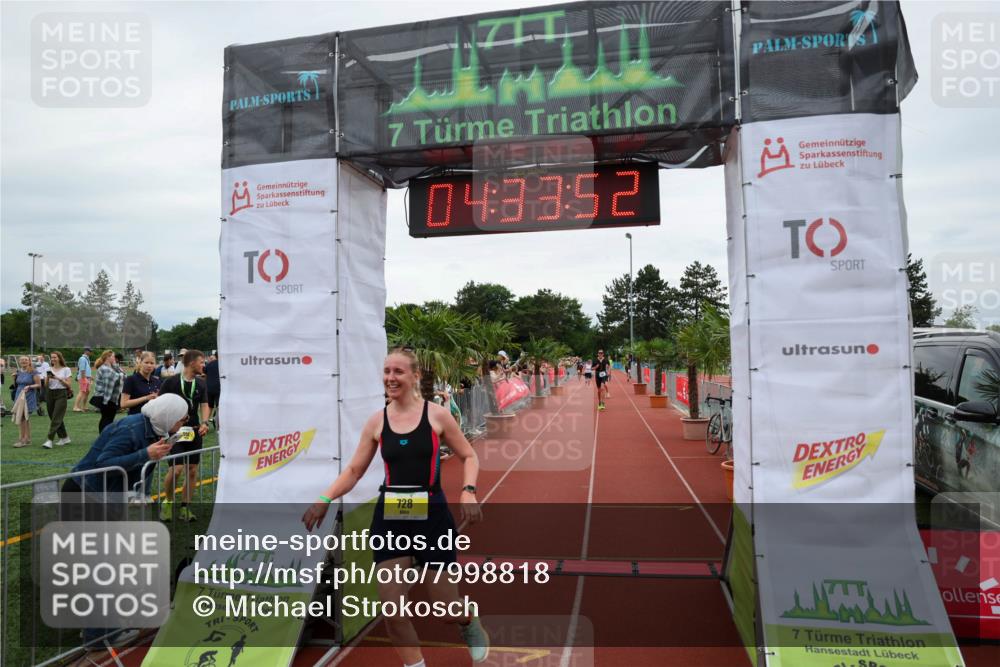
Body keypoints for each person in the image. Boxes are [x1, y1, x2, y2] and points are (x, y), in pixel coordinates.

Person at [302, 348, 489, 667]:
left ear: (415, 376)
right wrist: (325, 498)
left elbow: (469, 455)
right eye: (387, 371)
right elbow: (353, 471)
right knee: (392, 609)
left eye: (398, 371)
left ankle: (467, 621)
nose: (390, 377)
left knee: (445, 608)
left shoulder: (437, 415)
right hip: (391, 516)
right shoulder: (377, 421)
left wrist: (469, 491)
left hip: (431, 515)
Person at [62, 394, 182, 652]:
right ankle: (98, 637)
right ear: (169, 416)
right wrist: (145, 453)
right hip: (87, 495)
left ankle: (98, 624)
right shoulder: (132, 429)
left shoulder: (154, 428)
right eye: (181, 419)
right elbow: (102, 463)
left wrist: (141, 494)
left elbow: (144, 467)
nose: (182, 424)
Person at [158, 349, 210, 522]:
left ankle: (185, 508)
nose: (204, 365)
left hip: (195, 431)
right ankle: (168, 502)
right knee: (177, 469)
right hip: (175, 432)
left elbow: (204, 404)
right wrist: (166, 428)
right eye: (201, 362)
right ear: (191, 363)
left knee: (192, 470)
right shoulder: (171, 382)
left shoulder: (201, 383)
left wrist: (204, 423)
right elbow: (160, 405)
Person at [42, 351, 73, 449]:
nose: (53, 359)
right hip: (50, 393)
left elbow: (69, 385)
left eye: (55, 357)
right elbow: (46, 385)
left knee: (56, 417)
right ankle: (65, 437)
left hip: (61, 393)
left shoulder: (66, 369)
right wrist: (48, 378)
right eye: (52, 357)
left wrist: (58, 378)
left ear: (59, 358)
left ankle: (49, 440)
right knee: (54, 417)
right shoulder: (48, 369)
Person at [11, 355, 41, 447]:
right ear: (19, 362)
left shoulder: (33, 372)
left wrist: (30, 386)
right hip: (19, 395)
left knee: (23, 417)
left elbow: (39, 385)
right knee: (23, 418)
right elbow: (17, 384)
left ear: (29, 361)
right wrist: (14, 378)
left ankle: (23, 440)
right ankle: (27, 438)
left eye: (26, 360)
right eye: (22, 360)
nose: (24, 361)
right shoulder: (19, 371)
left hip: (28, 396)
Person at [93, 350, 126, 433]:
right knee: (106, 418)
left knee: (109, 418)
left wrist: (115, 366)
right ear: (108, 357)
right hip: (105, 397)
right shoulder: (105, 368)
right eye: (113, 357)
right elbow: (117, 377)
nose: (115, 358)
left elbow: (123, 375)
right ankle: (104, 436)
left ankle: (105, 435)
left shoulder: (111, 367)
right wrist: (121, 374)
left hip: (110, 397)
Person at [121, 350, 161, 415]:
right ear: (140, 363)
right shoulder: (131, 380)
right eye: (146, 362)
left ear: (155, 365)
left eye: (152, 363)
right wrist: (145, 398)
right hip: (135, 419)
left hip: (152, 420)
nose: (149, 365)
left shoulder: (157, 381)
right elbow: (123, 404)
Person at [73, 347, 93, 412]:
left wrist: (90, 376)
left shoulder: (87, 359)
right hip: (83, 377)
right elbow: (82, 369)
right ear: (85, 351)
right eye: (89, 351)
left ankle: (84, 406)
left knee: (87, 392)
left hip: (87, 377)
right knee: (82, 391)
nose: (90, 352)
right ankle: (75, 407)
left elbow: (86, 369)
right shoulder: (82, 358)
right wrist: (84, 378)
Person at [204, 355, 220, 428]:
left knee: (209, 407)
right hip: (219, 389)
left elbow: (204, 373)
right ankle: (218, 425)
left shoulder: (209, 364)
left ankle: (205, 424)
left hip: (209, 388)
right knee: (218, 407)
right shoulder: (222, 364)